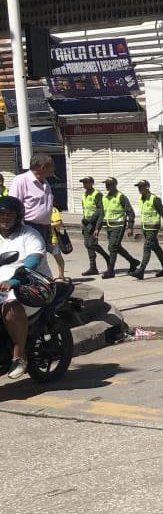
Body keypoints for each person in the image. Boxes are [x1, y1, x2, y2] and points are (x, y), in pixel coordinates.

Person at [0, 195, 53, 379]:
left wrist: (15, 280)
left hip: (32, 286)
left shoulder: (29, 234)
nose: (4, 218)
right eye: (1, 214)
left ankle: (19, 354)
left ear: (18, 216)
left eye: (9, 215)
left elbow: (33, 259)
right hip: (2, 288)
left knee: (10, 305)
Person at [9, 153, 56, 259]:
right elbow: (13, 206)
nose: (53, 169)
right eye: (52, 166)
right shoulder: (21, 180)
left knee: (41, 258)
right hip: (28, 227)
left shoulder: (45, 183)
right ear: (42, 167)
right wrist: (19, 228)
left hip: (44, 228)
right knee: (30, 257)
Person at [131, 179, 163, 279]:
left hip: (153, 227)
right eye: (138, 187)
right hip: (145, 227)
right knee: (156, 248)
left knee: (147, 248)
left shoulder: (154, 199)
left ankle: (141, 271)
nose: (139, 189)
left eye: (141, 187)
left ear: (147, 187)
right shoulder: (141, 199)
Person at [99, 178, 139, 279]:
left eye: (109, 184)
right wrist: (97, 228)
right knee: (116, 247)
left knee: (112, 247)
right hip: (109, 226)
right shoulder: (105, 198)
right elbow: (102, 213)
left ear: (114, 185)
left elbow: (130, 212)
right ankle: (132, 261)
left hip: (119, 225)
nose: (107, 186)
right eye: (106, 184)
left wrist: (130, 227)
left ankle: (110, 271)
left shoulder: (121, 197)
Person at [77, 176, 107, 277]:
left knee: (92, 244)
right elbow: (85, 210)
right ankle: (93, 267)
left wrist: (97, 228)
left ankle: (107, 258)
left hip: (94, 223)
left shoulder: (97, 195)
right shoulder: (85, 195)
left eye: (86, 182)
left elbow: (101, 212)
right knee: (87, 244)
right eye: (83, 183)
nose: (84, 185)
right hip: (86, 223)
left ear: (92, 183)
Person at [48, 208, 67, 280]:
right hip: (40, 238)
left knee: (58, 258)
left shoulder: (53, 209)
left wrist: (47, 225)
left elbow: (59, 222)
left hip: (52, 239)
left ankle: (61, 276)